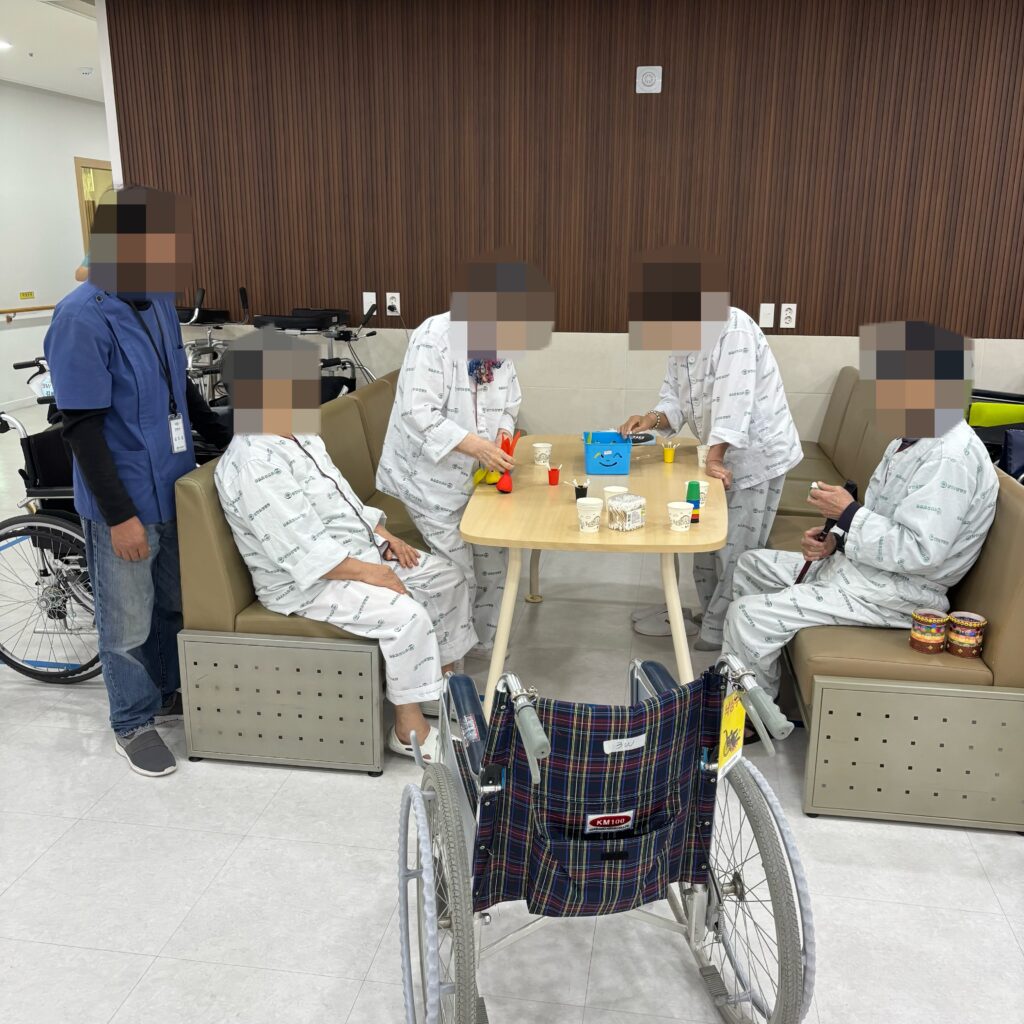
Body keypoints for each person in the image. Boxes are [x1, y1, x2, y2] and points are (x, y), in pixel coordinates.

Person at [215, 330, 477, 760]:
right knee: (406, 615)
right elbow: (301, 552)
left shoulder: (300, 435)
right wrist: (375, 574)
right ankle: (408, 728)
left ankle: (440, 691)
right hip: (304, 584)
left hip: (354, 552)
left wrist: (383, 535)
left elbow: (343, 501)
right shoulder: (253, 462)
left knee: (447, 579)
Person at [44, 185, 231, 777]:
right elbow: (80, 429)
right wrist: (121, 516)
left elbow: (181, 387)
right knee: (126, 621)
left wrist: (225, 435)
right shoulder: (79, 317)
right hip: (121, 495)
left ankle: (169, 691)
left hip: (173, 485)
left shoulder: (156, 300)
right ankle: (131, 719)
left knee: (172, 603)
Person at [722, 321, 998, 700]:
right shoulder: (909, 438)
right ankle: (764, 680)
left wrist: (849, 514)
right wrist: (834, 541)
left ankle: (751, 718)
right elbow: (883, 515)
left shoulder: (950, 457)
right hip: (862, 570)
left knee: (747, 615)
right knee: (751, 565)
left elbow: (921, 552)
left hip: (899, 595)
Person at [621, 248, 801, 650]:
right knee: (706, 541)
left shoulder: (733, 327)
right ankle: (710, 614)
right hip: (717, 454)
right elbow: (674, 398)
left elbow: (735, 398)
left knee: (735, 548)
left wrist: (715, 456)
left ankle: (723, 631)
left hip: (757, 455)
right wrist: (649, 418)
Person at [376, 258, 554, 653]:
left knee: (495, 560)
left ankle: (484, 646)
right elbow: (417, 412)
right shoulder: (434, 337)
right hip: (426, 482)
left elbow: (510, 401)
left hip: (475, 478)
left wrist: (503, 434)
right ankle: (450, 660)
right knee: (458, 573)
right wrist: (479, 447)